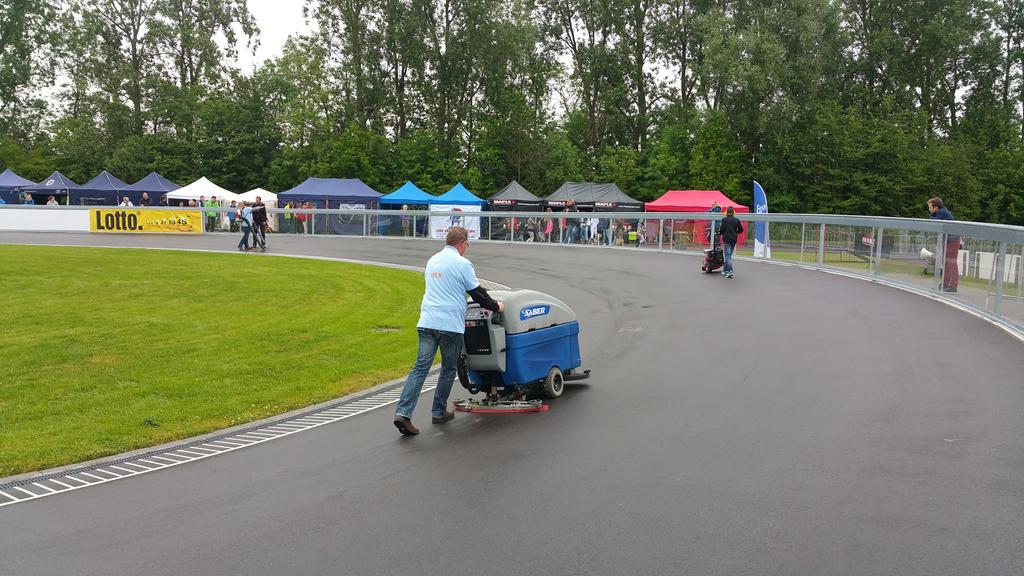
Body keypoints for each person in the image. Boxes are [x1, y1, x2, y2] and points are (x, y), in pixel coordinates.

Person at [393, 227, 504, 435]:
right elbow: (478, 294)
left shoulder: (432, 260)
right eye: (467, 245)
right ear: (462, 244)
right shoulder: (462, 264)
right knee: (448, 368)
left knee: (419, 368)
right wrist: (496, 306)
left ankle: (403, 412)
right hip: (449, 325)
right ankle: (438, 411)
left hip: (426, 321)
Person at [928, 197, 960, 293]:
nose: (929, 209)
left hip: (952, 240)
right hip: (947, 240)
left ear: (936, 207)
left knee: (951, 262)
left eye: (930, 207)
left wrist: (932, 215)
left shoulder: (942, 213)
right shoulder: (939, 213)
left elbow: (933, 221)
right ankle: (945, 284)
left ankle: (953, 285)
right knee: (945, 262)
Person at [716, 206, 744, 278]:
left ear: (726, 212)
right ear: (733, 212)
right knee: (729, 255)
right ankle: (725, 270)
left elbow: (721, 230)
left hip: (727, 239)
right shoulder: (736, 220)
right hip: (734, 239)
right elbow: (741, 230)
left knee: (727, 256)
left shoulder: (724, 219)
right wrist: (735, 232)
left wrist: (720, 233)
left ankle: (730, 271)